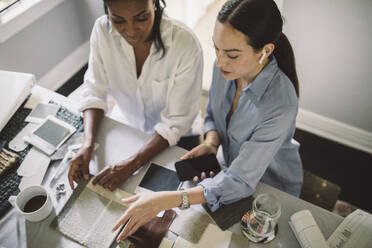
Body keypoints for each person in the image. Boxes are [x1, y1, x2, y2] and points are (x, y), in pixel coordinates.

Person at [112, 0, 303, 242]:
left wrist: (168, 199)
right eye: (217, 49)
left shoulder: (280, 105)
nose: (220, 62)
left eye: (232, 55)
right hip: (229, 167)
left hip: (271, 185)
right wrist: (211, 143)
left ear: (265, 51)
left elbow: (240, 180)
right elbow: (212, 113)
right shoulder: (225, 68)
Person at [68, 0, 203, 191]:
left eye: (141, 18)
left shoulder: (185, 44)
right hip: (132, 129)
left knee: (177, 202)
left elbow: (176, 122)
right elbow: (94, 90)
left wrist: (132, 164)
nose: (130, 31)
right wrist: (87, 145)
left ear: (154, 3)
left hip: (181, 138)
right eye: (118, 20)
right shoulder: (102, 31)